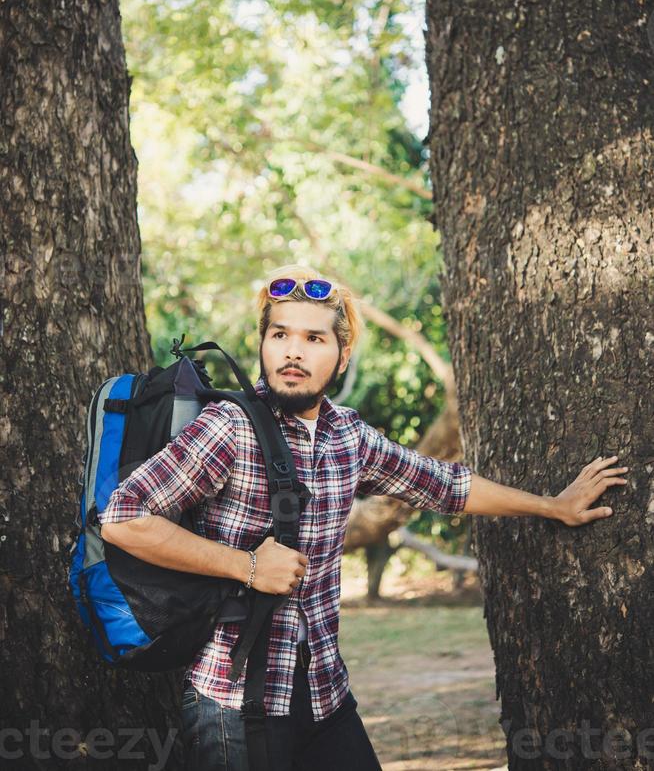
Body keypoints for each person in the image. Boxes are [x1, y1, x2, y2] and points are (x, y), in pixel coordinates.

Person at [98, 264, 629, 771]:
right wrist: (249, 567)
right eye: (280, 335)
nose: (293, 352)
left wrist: (551, 505)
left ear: (342, 354)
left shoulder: (347, 436)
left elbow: (445, 485)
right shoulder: (227, 427)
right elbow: (123, 517)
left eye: (314, 339)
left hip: (325, 694)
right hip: (234, 703)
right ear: (262, 343)